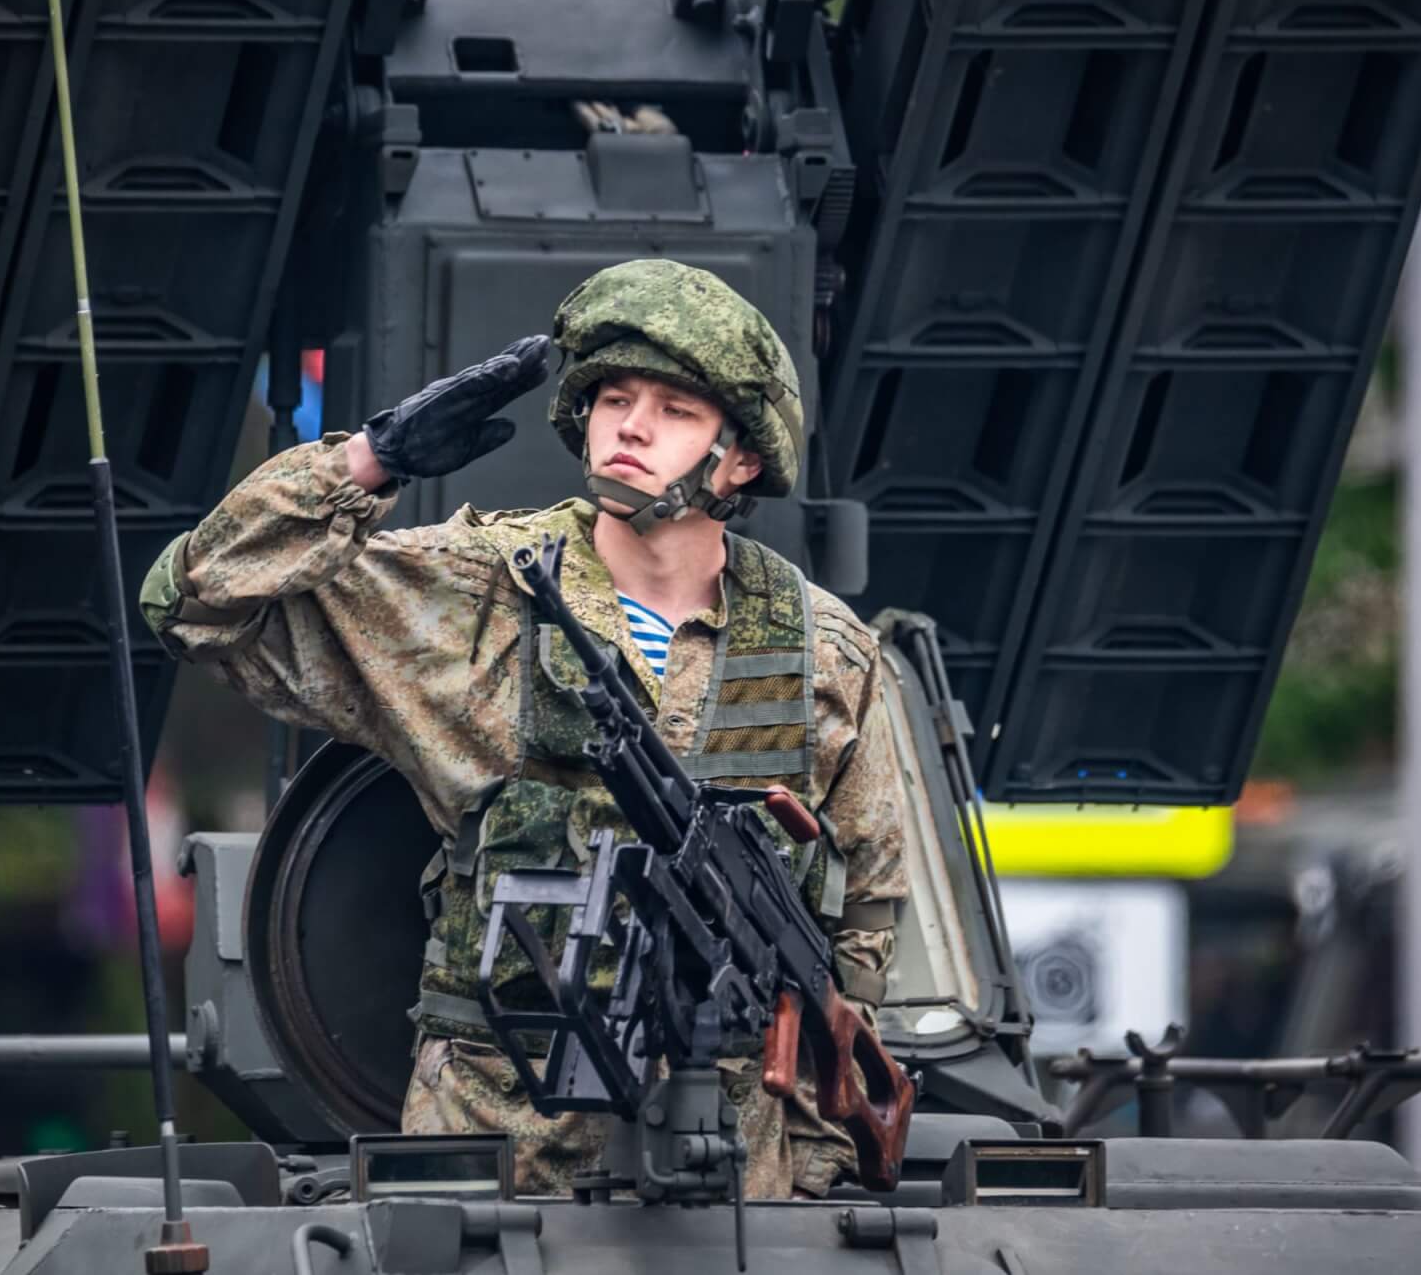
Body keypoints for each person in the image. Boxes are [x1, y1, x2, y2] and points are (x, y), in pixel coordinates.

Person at [140, 258, 909, 1198]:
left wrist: (823, 1161)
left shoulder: (822, 652)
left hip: (730, 1172)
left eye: (675, 410)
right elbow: (191, 603)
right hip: (492, 1160)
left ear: (739, 458)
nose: (631, 425)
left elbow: (865, 908)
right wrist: (370, 461)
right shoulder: (480, 593)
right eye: (613, 397)